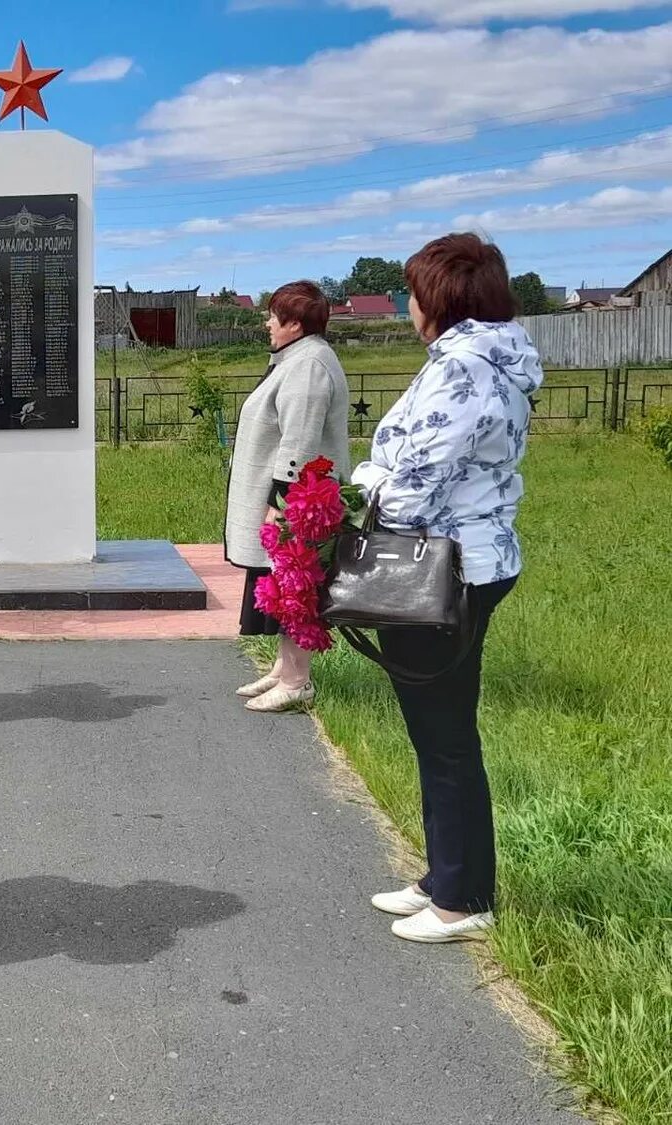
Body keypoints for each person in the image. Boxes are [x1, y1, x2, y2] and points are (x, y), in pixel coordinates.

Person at [353, 233, 541, 944]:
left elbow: (409, 483)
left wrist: (363, 482)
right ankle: (446, 875)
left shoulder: (462, 371)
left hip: (439, 567)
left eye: (415, 290)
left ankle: (464, 898)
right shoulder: (496, 363)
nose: (408, 304)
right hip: (475, 558)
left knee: (445, 734)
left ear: (442, 297)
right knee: (440, 730)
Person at [224, 280, 351, 712]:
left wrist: (277, 508)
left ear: (295, 324)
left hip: (300, 503)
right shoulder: (296, 358)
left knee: (295, 585)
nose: (267, 322)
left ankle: (298, 681)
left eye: (274, 316)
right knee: (282, 583)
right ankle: (284, 668)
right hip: (294, 499)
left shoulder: (309, 365)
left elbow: (298, 444)